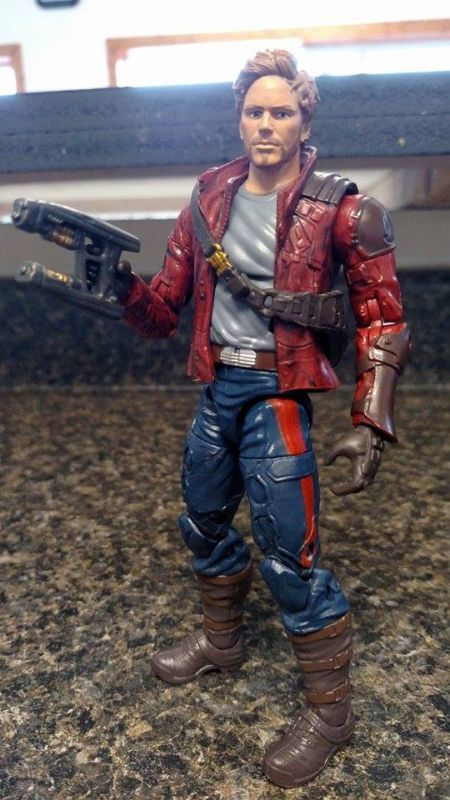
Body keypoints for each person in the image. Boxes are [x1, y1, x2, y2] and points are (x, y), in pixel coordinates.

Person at [114, 50, 410, 788]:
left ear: (305, 119)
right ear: (239, 119)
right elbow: (164, 308)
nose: (266, 124)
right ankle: (222, 641)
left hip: (278, 395)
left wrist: (370, 422)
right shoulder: (208, 195)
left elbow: (383, 319)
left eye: (282, 111)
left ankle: (331, 716)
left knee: (289, 557)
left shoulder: (343, 208)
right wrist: (118, 288)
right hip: (219, 389)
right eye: (255, 111)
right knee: (203, 521)